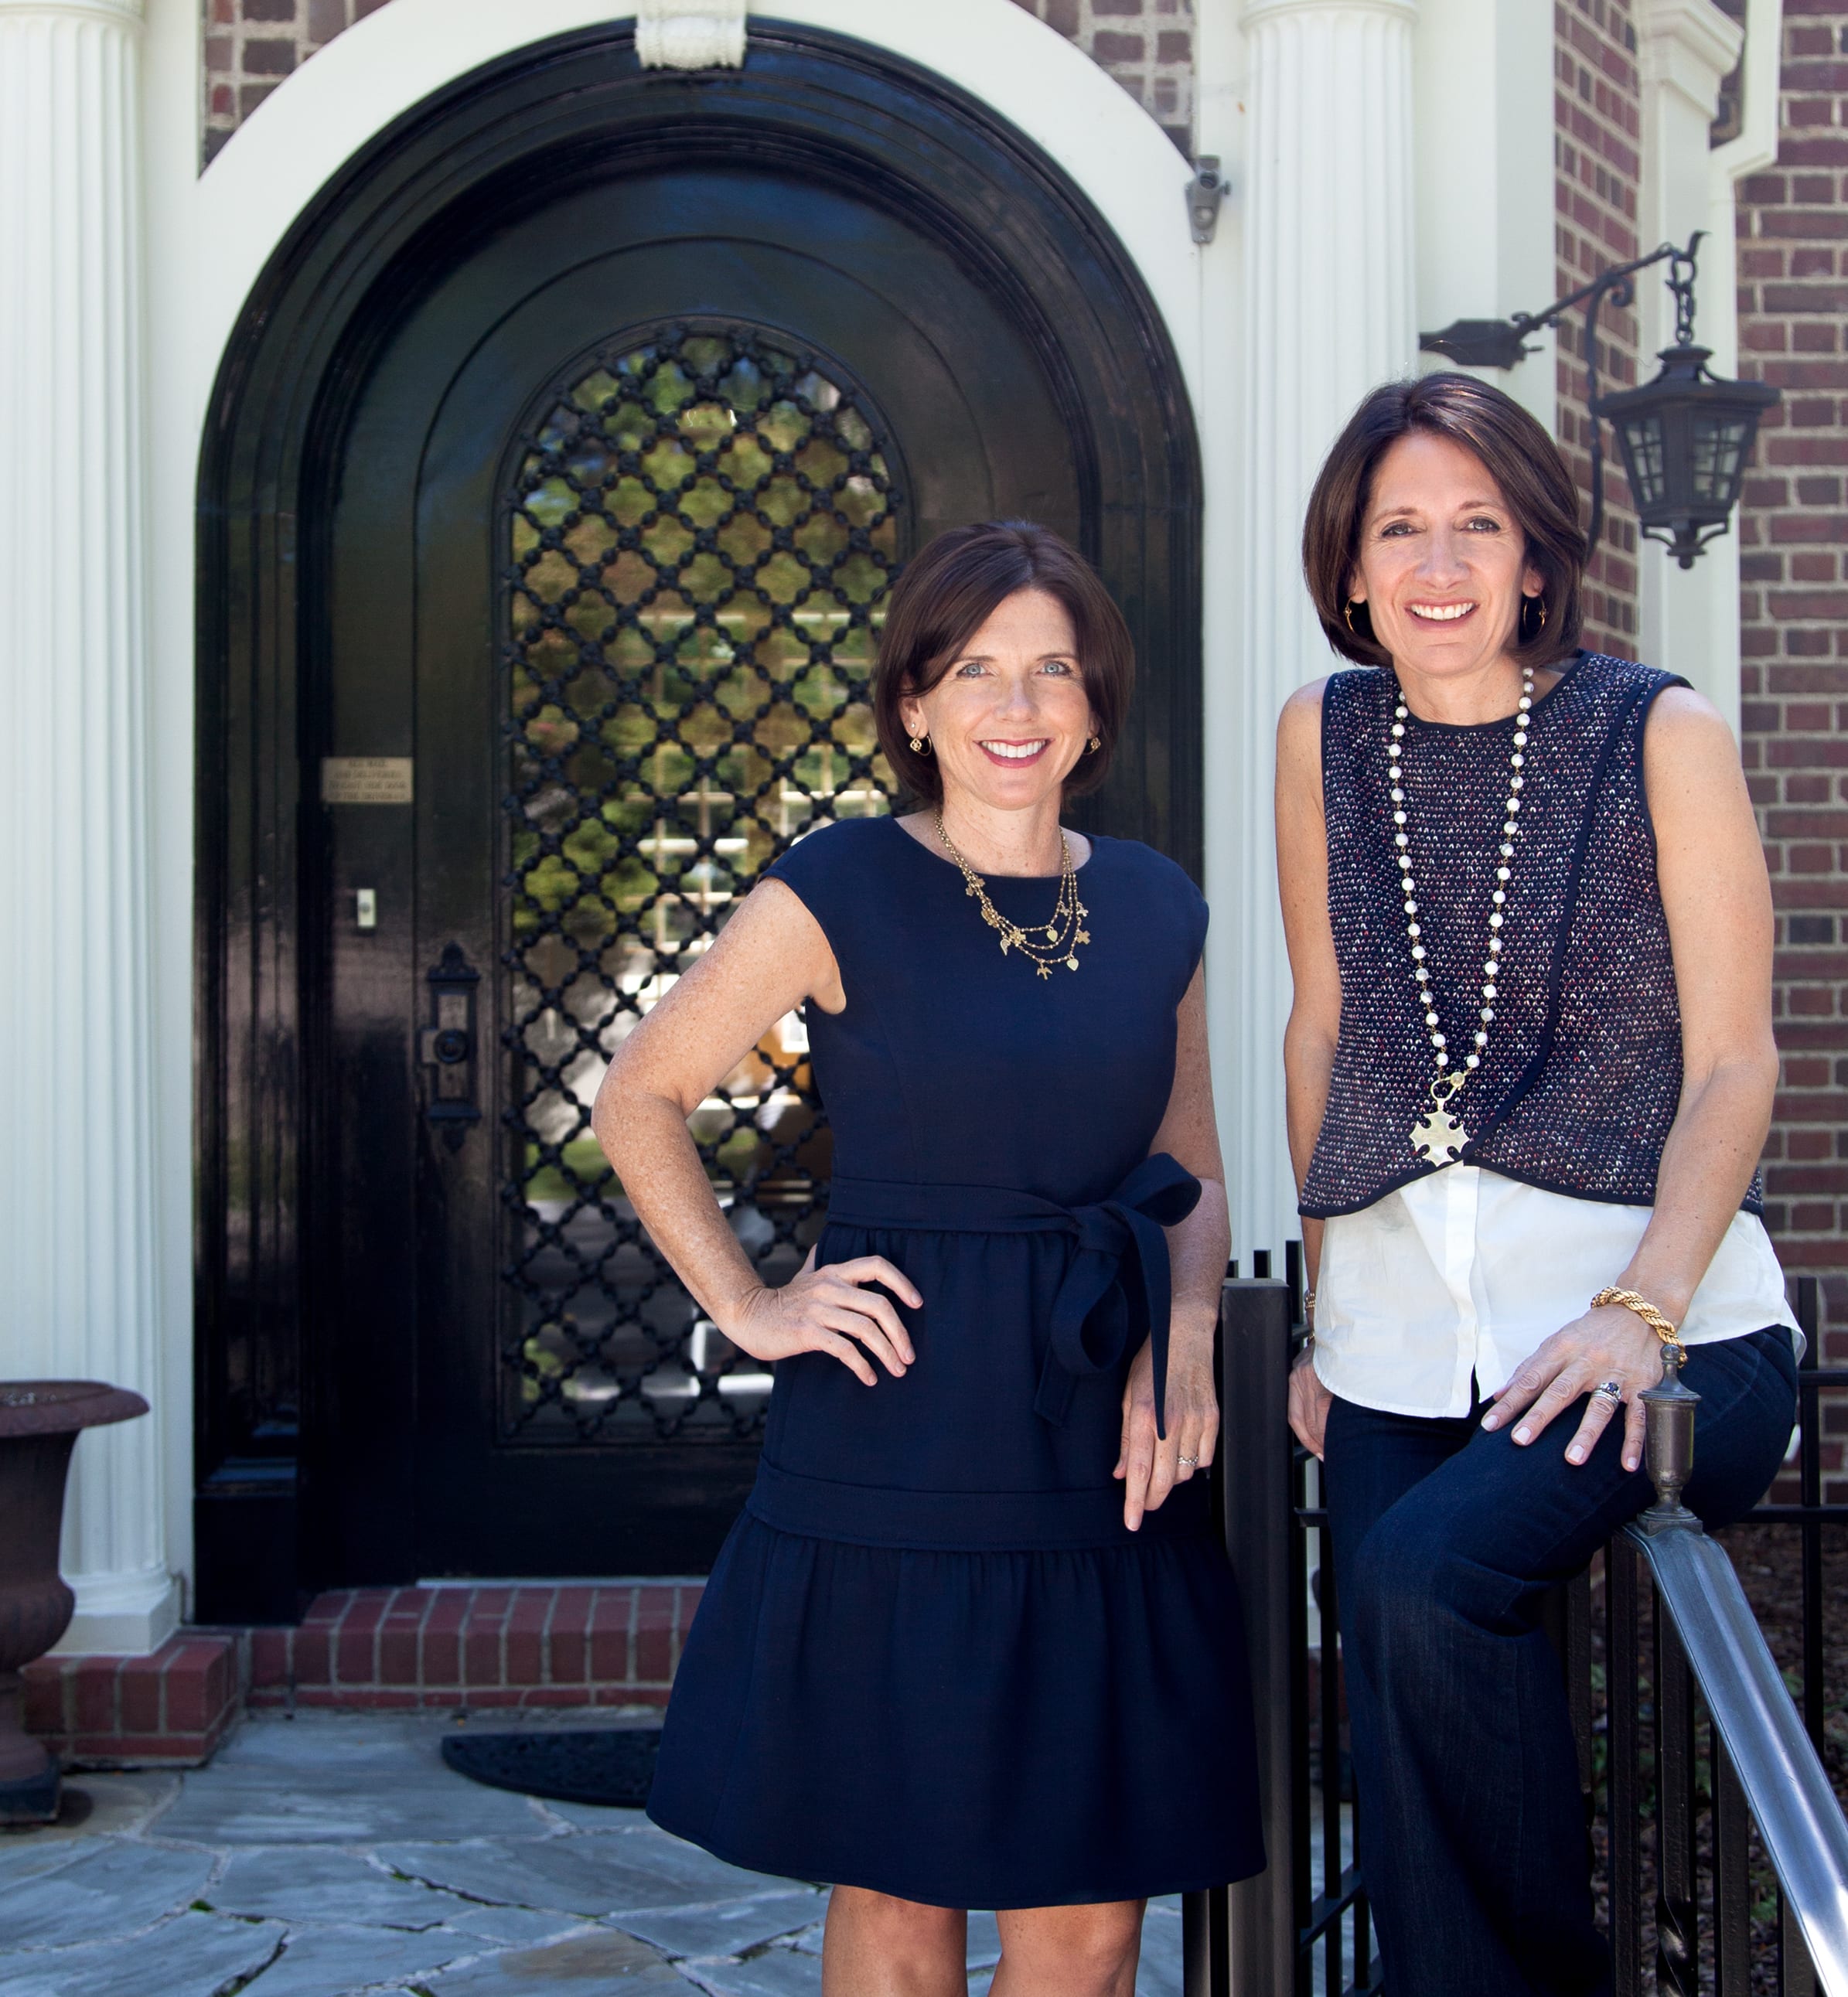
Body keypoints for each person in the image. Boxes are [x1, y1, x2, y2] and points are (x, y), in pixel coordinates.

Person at [594, 520, 1263, 1997]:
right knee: (901, 1885)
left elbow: (1193, 1171)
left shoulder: (1159, 904)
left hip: (1104, 1434)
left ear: (1095, 705)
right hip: (899, 1423)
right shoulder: (840, 884)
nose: (1014, 710)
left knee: (1090, 1913)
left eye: (1051, 672)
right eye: (975, 672)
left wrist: (1189, 1339)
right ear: (913, 702)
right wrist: (754, 1305)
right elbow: (638, 1094)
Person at [1277, 371, 1800, 1997]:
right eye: (1400, 529)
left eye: (1476, 526)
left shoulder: (1657, 728)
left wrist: (1643, 1313)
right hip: (1388, 1341)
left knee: (1429, 1578)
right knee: (1391, 1676)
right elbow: (1328, 1019)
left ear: (1533, 558)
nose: (1438, 565)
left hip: (1656, 1333)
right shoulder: (1321, 732)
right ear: (1351, 568)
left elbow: (1735, 1061)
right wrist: (1311, 1313)